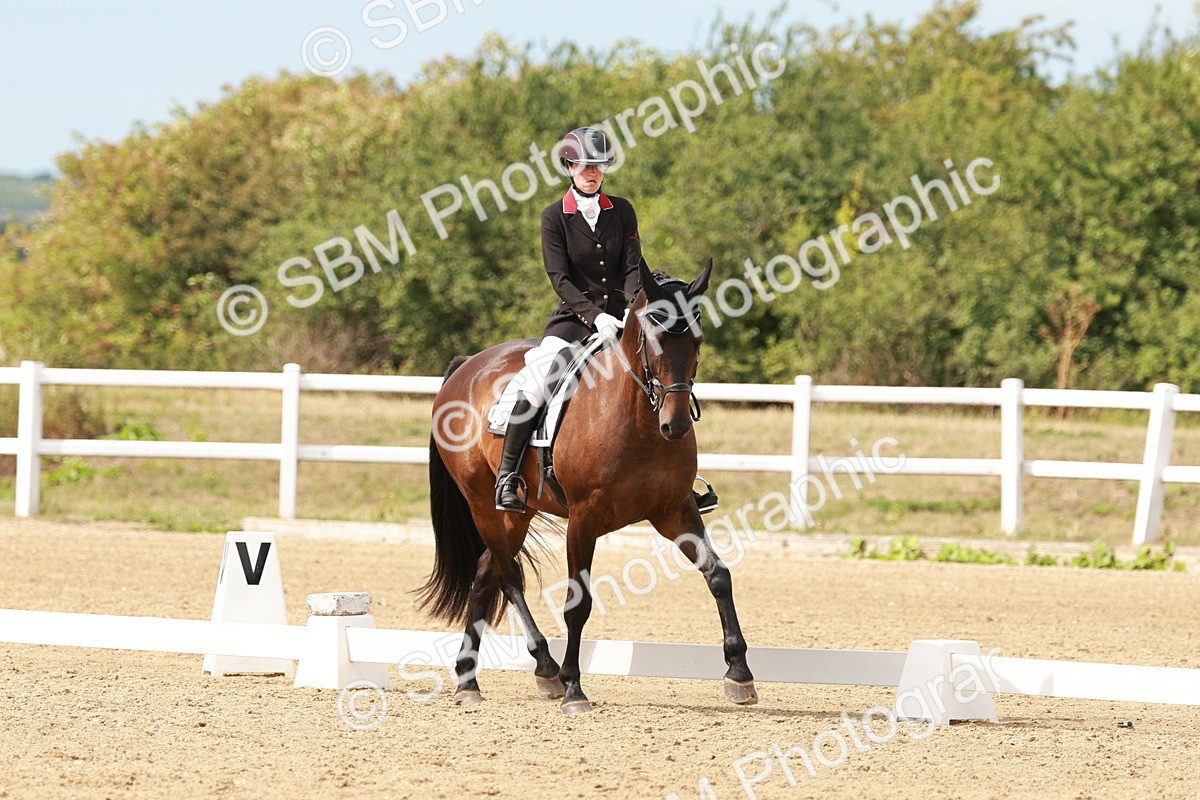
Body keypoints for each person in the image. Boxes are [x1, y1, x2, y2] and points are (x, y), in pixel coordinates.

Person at [494, 127, 717, 516]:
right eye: (584, 165)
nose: (592, 172)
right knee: (540, 379)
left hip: (623, 318)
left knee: (660, 375)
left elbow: (633, 267)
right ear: (569, 167)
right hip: (573, 321)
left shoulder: (623, 210)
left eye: (598, 166)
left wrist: (630, 309)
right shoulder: (553, 217)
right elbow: (560, 279)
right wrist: (595, 317)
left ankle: (677, 483)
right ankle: (507, 477)